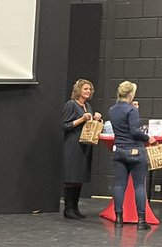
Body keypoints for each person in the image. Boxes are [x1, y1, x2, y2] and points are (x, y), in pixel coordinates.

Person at [108, 81, 151, 230]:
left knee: (120, 185)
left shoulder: (112, 110)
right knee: (139, 185)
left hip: (119, 150)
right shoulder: (132, 110)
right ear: (131, 94)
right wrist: (148, 138)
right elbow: (134, 131)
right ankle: (141, 221)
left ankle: (118, 218)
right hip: (135, 151)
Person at [60, 79, 101, 220]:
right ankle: (68, 208)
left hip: (84, 145)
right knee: (72, 177)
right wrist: (81, 119)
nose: (88, 91)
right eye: (85, 89)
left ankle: (75, 207)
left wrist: (96, 119)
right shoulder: (71, 105)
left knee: (79, 177)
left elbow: (89, 125)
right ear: (78, 90)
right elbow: (65, 125)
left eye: (89, 89)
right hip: (73, 145)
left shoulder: (88, 106)